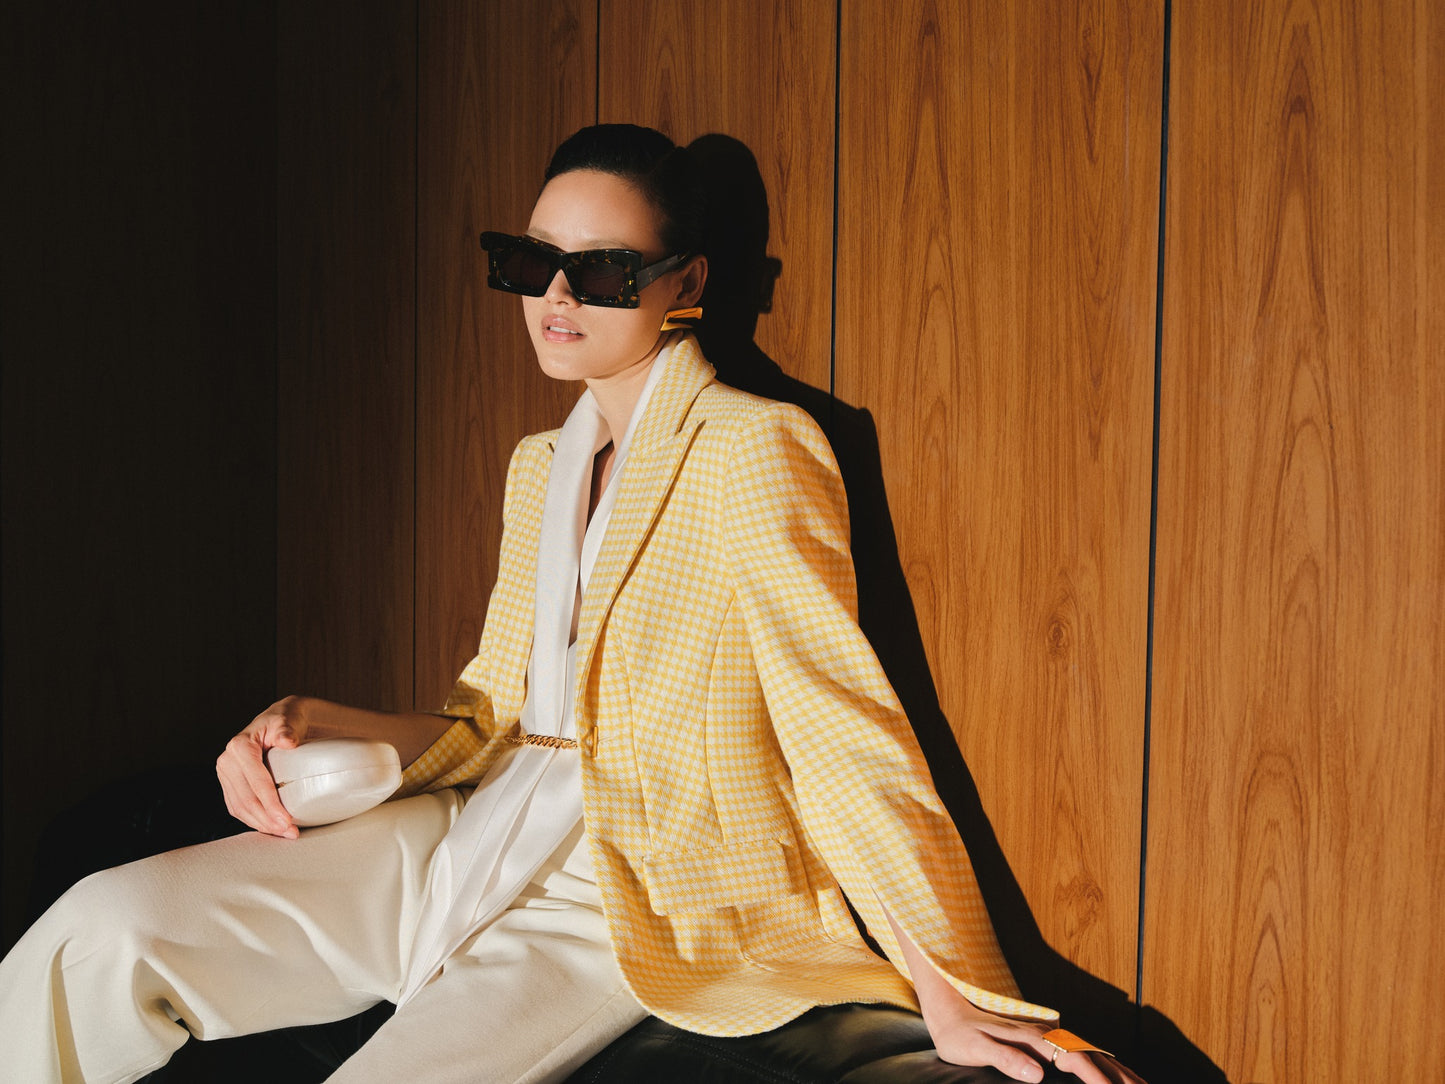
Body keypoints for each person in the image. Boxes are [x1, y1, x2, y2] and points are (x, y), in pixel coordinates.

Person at [0, 124, 1142, 1084]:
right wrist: (313, 718)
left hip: (629, 882)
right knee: (99, 931)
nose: (555, 297)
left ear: (681, 284)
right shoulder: (537, 467)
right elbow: (494, 716)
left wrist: (953, 986)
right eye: (527, 261)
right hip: (469, 832)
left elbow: (839, 729)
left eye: (599, 272)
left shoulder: (756, 449)